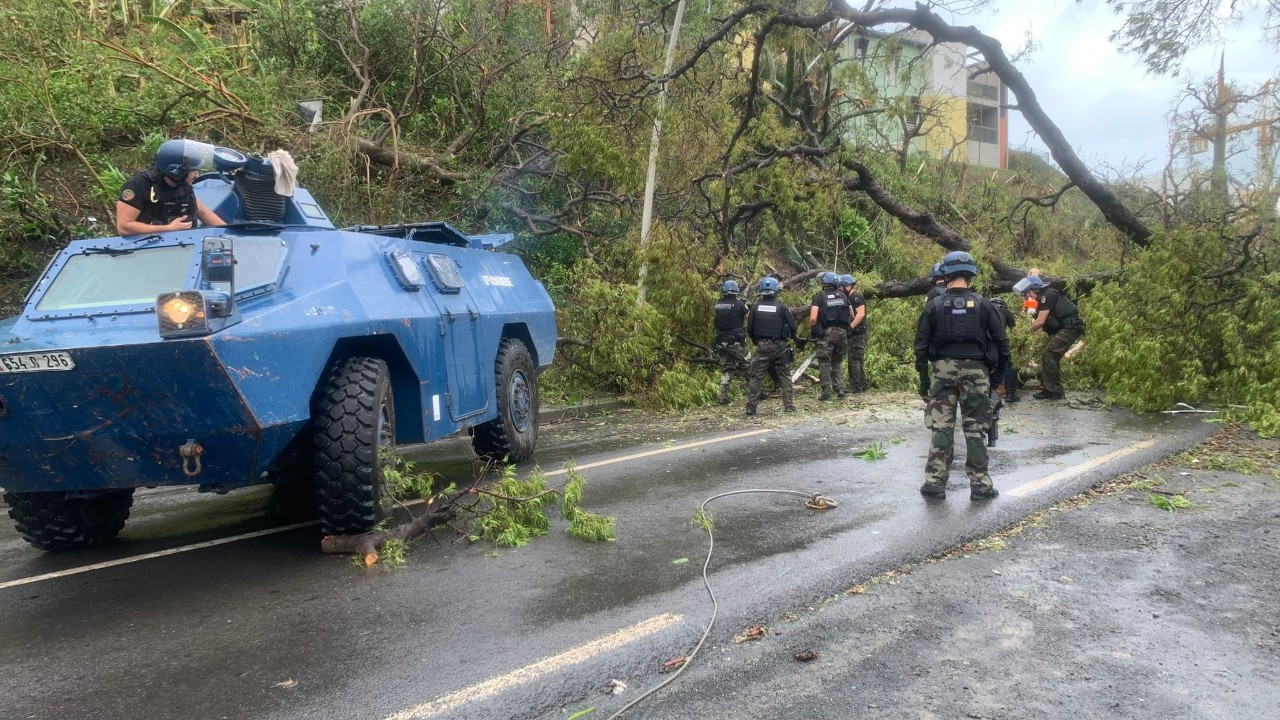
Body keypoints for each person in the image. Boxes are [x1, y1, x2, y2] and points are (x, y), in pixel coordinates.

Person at [914, 251, 1010, 500]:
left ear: (945, 275)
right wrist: (996, 380)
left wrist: (924, 380)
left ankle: (935, 483)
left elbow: (921, 346)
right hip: (977, 371)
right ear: (970, 275)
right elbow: (1002, 344)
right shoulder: (984, 304)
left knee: (941, 428)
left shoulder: (934, 305)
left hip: (942, 370)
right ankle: (981, 486)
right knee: (976, 429)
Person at [116, 139, 226, 235]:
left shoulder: (182, 185)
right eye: (193, 171)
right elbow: (124, 227)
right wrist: (168, 229)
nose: (197, 175)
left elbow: (203, 212)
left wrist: (228, 231)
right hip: (145, 249)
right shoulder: (140, 184)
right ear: (177, 171)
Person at [1014, 274, 1085, 400]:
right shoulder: (1043, 298)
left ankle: (1051, 390)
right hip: (1065, 328)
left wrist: (1024, 333)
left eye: (1029, 293)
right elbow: (1041, 327)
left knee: (1049, 354)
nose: (1028, 297)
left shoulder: (1048, 295)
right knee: (1052, 356)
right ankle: (1056, 390)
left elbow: (1040, 321)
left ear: (1035, 289)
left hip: (1070, 327)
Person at [745, 276, 797, 416]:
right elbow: (792, 326)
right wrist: (792, 338)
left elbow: (749, 328)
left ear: (761, 291)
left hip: (762, 346)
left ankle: (751, 407)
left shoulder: (755, 307)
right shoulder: (781, 307)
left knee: (756, 376)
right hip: (780, 346)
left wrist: (757, 342)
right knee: (785, 376)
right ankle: (789, 406)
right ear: (775, 291)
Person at [808, 272, 851, 401]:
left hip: (827, 333)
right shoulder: (843, 296)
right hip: (842, 333)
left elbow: (813, 318)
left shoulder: (819, 297)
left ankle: (826, 391)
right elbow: (852, 315)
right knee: (837, 361)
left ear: (824, 284)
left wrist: (812, 328)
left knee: (824, 362)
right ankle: (840, 389)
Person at [712, 280, 750, 405]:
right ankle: (755, 392)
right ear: (736, 291)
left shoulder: (718, 304)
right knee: (748, 364)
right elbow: (749, 317)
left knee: (726, 368)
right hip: (736, 342)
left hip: (720, 341)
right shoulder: (739, 304)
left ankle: (722, 397)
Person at [841, 274, 869, 393]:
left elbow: (861, 314)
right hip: (856, 332)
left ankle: (856, 385)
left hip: (858, 333)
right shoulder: (849, 297)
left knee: (854, 359)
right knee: (857, 358)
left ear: (848, 286)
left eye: (841, 286)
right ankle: (862, 383)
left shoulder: (856, 297)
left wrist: (851, 327)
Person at [988, 297, 1019, 402]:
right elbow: (1015, 332)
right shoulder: (1005, 311)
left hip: (986, 343)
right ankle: (1010, 394)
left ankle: (988, 392)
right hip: (1000, 341)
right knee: (1008, 365)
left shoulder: (984, 310)